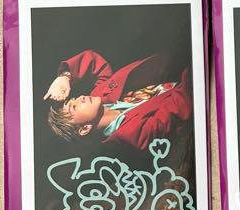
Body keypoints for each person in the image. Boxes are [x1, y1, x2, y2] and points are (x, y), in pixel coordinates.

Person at [43, 49, 192, 152]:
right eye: (74, 107)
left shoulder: (100, 95)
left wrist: (65, 77)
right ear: (85, 129)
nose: (80, 98)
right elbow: (180, 106)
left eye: (74, 99)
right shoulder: (130, 134)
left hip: (178, 63)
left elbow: (94, 62)